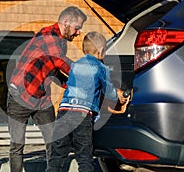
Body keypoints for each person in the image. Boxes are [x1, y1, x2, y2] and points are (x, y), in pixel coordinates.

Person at [7, 6, 87, 172]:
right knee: (17, 144)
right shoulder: (48, 36)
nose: (78, 32)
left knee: (53, 140)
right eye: (77, 28)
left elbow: (55, 71)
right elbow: (61, 62)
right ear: (66, 22)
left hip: (42, 98)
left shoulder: (61, 42)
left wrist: (71, 85)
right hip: (20, 94)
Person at [45, 32, 129, 172]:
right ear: (101, 50)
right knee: (84, 156)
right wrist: (118, 96)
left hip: (63, 112)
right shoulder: (101, 68)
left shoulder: (76, 65)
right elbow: (108, 91)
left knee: (57, 156)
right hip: (82, 115)